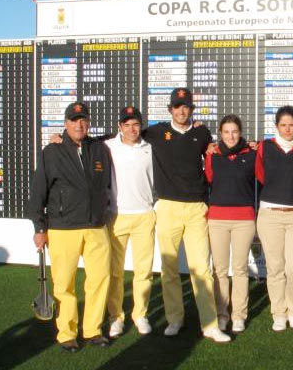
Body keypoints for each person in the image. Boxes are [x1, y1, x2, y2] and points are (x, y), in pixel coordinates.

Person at [142, 88, 230, 343]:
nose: (182, 111)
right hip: (168, 206)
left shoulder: (202, 133)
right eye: (178, 106)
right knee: (169, 268)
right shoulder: (156, 132)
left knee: (202, 268)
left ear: (192, 109)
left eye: (186, 106)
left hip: (196, 208)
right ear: (170, 109)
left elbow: (216, 153)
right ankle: (174, 319)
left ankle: (210, 325)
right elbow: (126, 135)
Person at [27, 102, 112, 352]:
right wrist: (39, 228)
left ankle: (93, 329)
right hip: (63, 227)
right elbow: (37, 192)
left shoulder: (98, 148)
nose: (79, 124)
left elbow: (128, 133)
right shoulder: (51, 151)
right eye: (74, 120)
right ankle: (67, 333)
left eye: (83, 120)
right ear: (65, 124)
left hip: (96, 226)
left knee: (99, 279)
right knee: (64, 284)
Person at [255, 105, 293, 332]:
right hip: (270, 215)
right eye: (283, 125)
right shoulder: (264, 147)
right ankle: (279, 313)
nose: (287, 129)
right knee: (275, 268)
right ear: (276, 126)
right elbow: (260, 174)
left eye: (291, 125)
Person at [105, 106, 156, 338]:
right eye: (127, 125)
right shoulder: (108, 147)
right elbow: (81, 141)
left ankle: (140, 314)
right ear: (120, 127)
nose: (132, 129)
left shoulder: (150, 148)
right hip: (117, 216)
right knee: (115, 272)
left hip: (145, 215)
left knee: (143, 271)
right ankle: (116, 317)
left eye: (135, 124)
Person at [204, 114, 256, 334]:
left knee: (240, 269)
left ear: (241, 133)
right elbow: (207, 179)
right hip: (217, 219)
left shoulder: (252, 154)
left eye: (235, 131)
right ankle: (222, 314)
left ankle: (239, 316)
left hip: (244, 219)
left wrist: (258, 145)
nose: (231, 136)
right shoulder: (212, 155)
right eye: (226, 132)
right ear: (220, 133)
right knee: (220, 270)